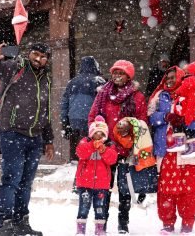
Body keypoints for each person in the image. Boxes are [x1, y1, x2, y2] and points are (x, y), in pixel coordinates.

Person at [0, 43, 54, 236]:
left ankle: (20, 221)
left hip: (35, 137)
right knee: (11, 179)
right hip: (12, 132)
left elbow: (46, 110)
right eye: (36, 54)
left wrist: (48, 139)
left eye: (43, 56)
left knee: (26, 182)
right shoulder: (17, 66)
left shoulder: (46, 79)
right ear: (29, 54)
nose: (39, 59)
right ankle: (4, 222)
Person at [88, 60, 147, 234]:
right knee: (103, 189)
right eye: (115, 72)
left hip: (126, 151)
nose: (117, 76)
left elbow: (143, 122)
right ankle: (101, 222)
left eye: (121, 73)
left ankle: (123, 223)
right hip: (106, 149)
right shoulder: (103, 94)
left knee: (125, 190)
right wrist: (98, 136)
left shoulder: (137, 97)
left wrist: (131, 126)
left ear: (128, 76)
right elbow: (92, 117)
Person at [148, 66, 195, 235]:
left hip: (189, 151)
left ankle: (187, 223)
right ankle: (167, 223)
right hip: (166, 150)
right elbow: (150, 116)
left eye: (173, 77)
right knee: (166, 190)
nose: (170, 80)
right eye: (167, 78)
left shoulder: (192, 93)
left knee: (189, 189)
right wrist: (165, 117)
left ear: (181, 77)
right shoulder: (159, 96)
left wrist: (186, 121)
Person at [75, 115, 118, 236]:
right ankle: (80, 229)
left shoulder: (109, 145)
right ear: (91, 134)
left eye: (101, 134)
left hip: (101, 184)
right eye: (96, 134)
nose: (98, 137)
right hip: (85, 183)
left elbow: (113, 159)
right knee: (83, 207)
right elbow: (80, 152)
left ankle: (100, 229)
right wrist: (91, 146)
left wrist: (104, 150)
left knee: (100, 208)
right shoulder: (85, 142)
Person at [60, 56, 105, 163]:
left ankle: (79, 173)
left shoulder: (72, 82)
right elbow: (103, 104)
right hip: (92, 122)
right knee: (93, 154)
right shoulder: (99, 81)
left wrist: (65, 122)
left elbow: (64, 104)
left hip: (73, 121)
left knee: (79, 153)